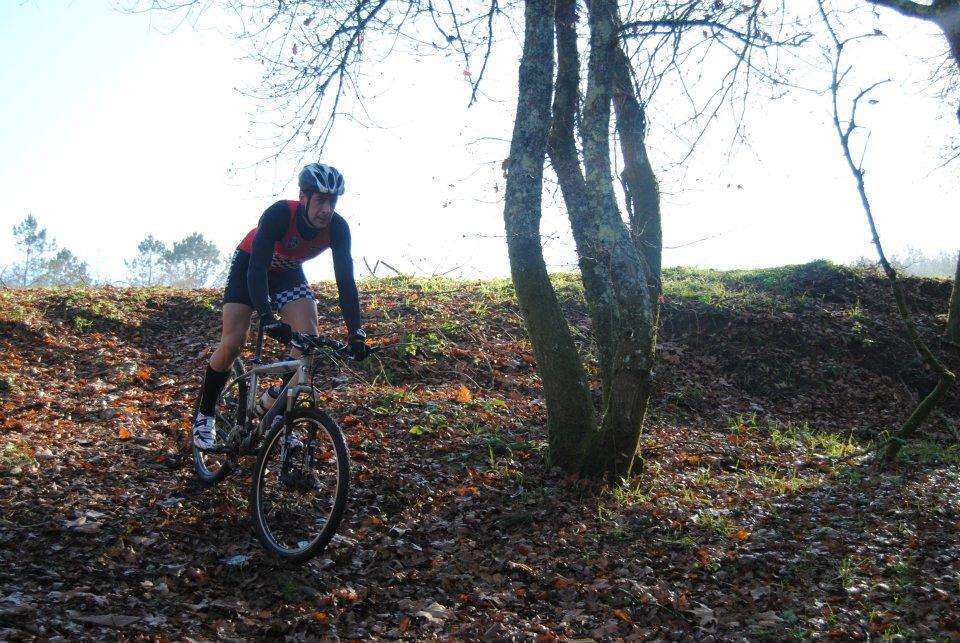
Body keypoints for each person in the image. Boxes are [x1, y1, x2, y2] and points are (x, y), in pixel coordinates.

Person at [192, 163, 369, 449]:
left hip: (287, 272)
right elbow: (257, 269)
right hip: (250, 267)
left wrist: (356, 332)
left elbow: (346, 282)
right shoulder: (279, 214)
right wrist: (266, 315)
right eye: (321, 200)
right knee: (234, 341)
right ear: (303, 197)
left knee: (307, 337)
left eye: (332, 201)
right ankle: (205, 415)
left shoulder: (338, 228)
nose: (327, 209)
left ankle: (277, 412)